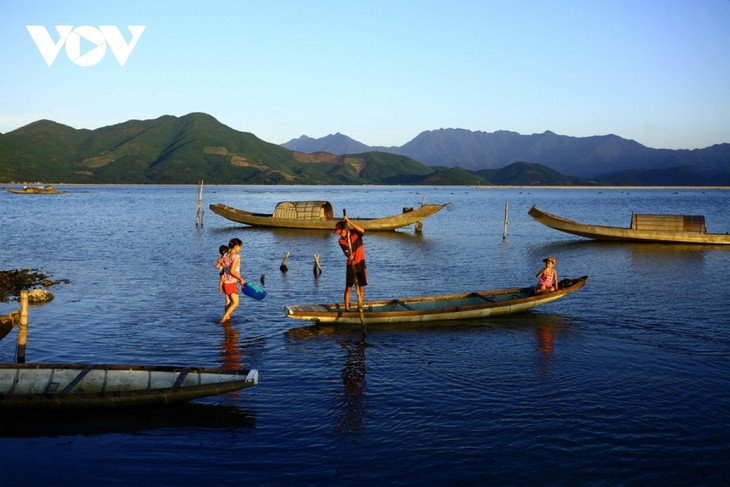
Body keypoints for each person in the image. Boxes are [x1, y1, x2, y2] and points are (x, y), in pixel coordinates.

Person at [335, 216, 367, 311]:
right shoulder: (341, 240)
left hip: (361, 264)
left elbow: (362, 230)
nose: (340, 234)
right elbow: (346, 252)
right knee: (348, 288)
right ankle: (347, 309)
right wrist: (349, 255)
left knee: (361, 288)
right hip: (351, 266)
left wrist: (350, 222)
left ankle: (359, 307)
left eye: (341, 232)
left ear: (345, 229)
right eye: (339, 233)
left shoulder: (356, 234)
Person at [219, 238, 246, 323]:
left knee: (229, 302)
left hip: (225, 282)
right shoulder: (236, 256)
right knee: (235, 303)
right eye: (240, 247)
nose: (240, 249)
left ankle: (227, 319)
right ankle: (223, 319)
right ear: (236, 246)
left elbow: (222, 267)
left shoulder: (225, 254)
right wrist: (240, 279)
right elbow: (232, 271)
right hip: (230, 282)